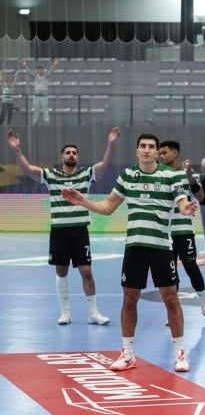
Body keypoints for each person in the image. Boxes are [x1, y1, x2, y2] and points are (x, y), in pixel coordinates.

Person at [61, 134, 198, 373]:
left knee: (171, 300)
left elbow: (182, 202)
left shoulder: (171, 175)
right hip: (134, 248)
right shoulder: (127, 176)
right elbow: (108, 207)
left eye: (151, 147)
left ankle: (179, 353)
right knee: (129, 300)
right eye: (142, 147)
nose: (146, 150)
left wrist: (187, 209)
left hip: (162, 248)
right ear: (137, 151)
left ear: (157, 152)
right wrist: (83, 201)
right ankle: (128, 354)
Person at [7, 127, 120, 325]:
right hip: (59, 231)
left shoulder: (86, 174)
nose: (71, 155)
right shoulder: (51, 175)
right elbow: (27, 169)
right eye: (68, 152)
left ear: (77, 157)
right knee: (61, 271)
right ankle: (65, 313)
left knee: (86, 271)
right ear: (62, 157)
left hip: (79, 231)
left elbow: (105, 164)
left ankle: (93, 313)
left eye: (74, 153)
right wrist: (17, 150)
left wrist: (110, 144)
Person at [158, 141, 205, 326]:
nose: (161, 156)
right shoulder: (158, 175)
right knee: (170, 274)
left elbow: (201, 197)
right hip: (165, 232)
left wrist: (190, 178)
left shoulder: (190, 174)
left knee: (191, 268)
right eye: (159, 153)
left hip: (184, 230)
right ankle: (172, 310)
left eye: (164, 153)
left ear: (176, 153)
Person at [21, 58, 59, 125]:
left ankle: (47, 123)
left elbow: (51, 71)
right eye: (39, 70)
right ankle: (35, 123)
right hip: (36, 96)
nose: (40, 71)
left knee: (45, 111)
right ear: (37, 71)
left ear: (43, 71)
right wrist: (25, 65)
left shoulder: (46, 76)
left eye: (42, 70)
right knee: (36, 110)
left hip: (44, 96)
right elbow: (29, 71)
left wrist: (54, 65)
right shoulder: (34, 76)